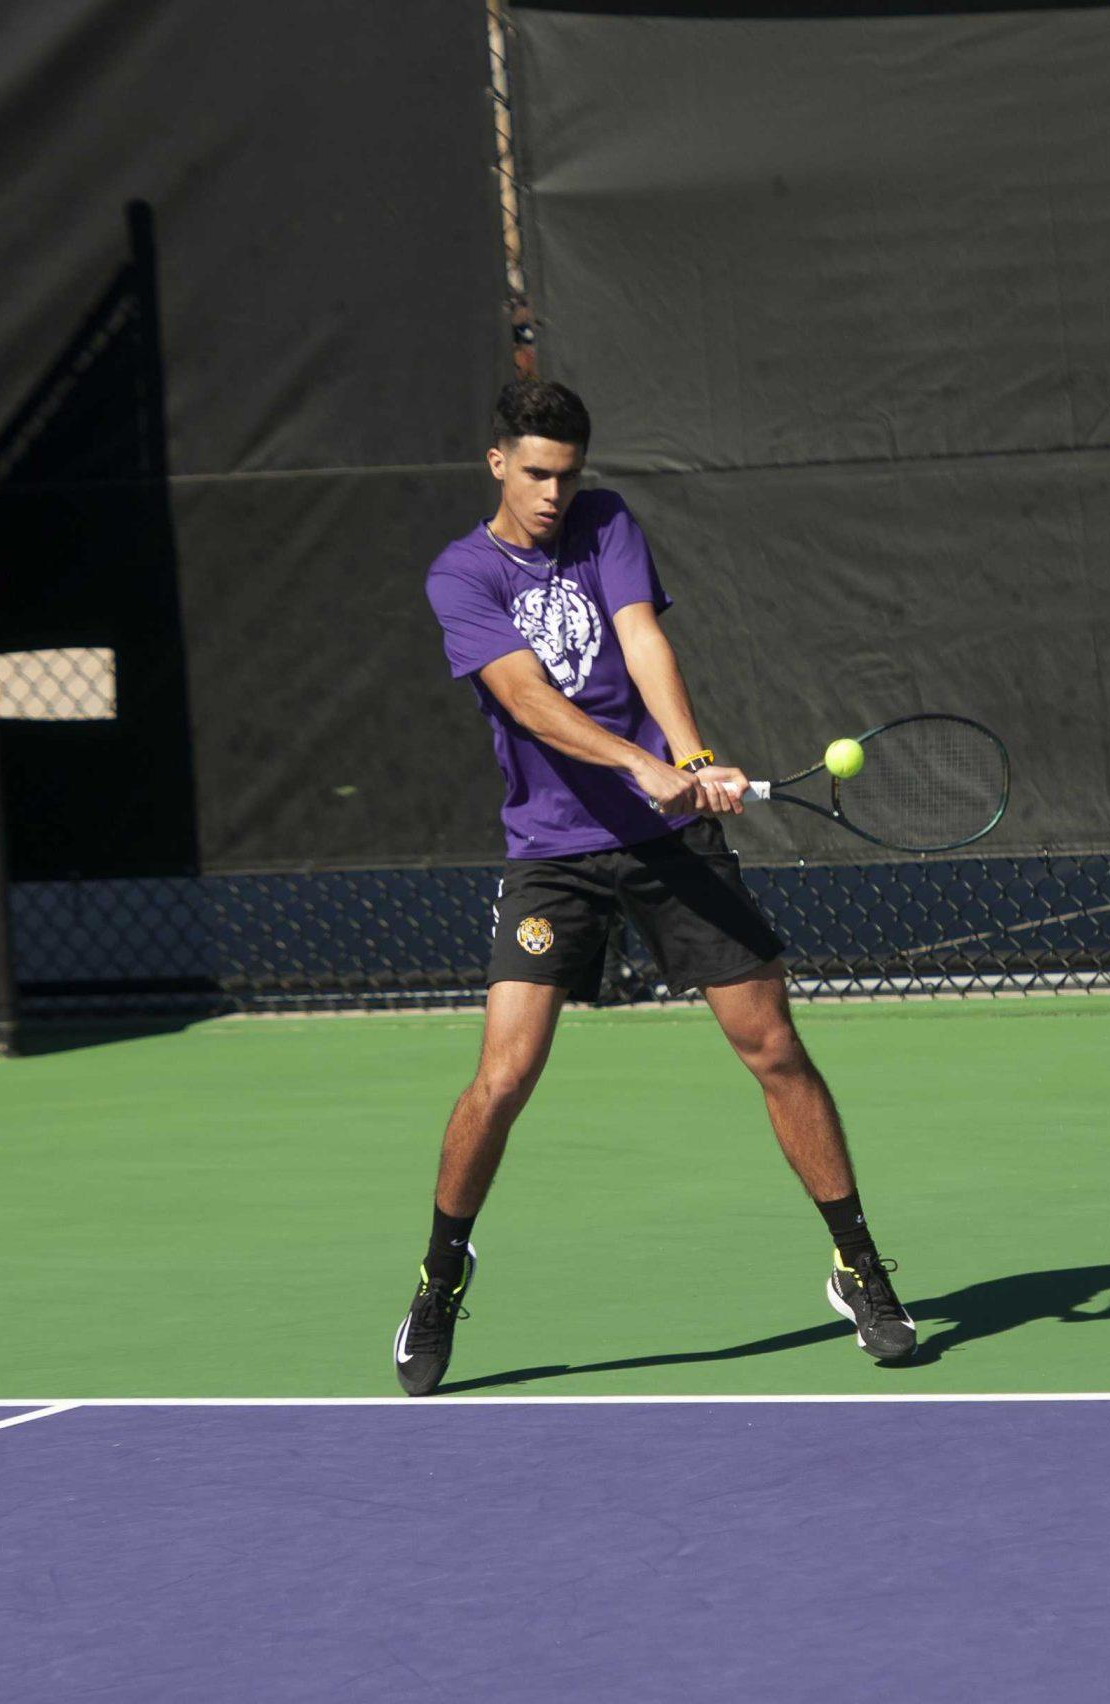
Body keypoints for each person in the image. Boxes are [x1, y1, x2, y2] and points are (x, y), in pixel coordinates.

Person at [393, 379, 914, 1396]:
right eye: (535, 472)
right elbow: (527, 700)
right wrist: (639, 767)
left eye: (568, 474)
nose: (552, 494)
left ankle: (860, 1269)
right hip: (552, 852)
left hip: (668, 842)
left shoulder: (607, 524)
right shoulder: (459, 575)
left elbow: (639, 638)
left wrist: (690, 753)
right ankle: (439, 1276)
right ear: (497, 461)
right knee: (503, 1078)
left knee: (773, 1047)